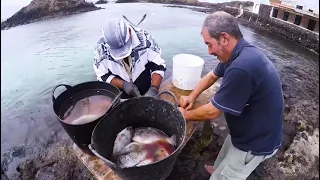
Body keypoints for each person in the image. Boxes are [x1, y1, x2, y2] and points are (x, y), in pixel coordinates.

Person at [178, 11, 284, 179]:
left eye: (209, 44)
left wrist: (183, 115)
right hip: (245, 131)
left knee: (228, 174)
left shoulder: (242, 66)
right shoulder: (236, 53)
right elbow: (212, 76)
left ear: (224, 38)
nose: (209, 51)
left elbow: (213, 112)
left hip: (255, 142)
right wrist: (191, 96)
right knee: (227, 151)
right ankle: (219, 169)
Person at [93, 18, 166, 99]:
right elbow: (102, 75)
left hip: (146, 87)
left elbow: (159, 66)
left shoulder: (146, 39)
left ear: (130, 32)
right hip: (120, 94)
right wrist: (123, 85)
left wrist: (154, 89)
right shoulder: (101, 50)